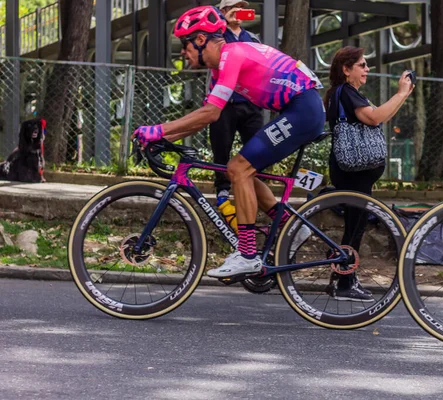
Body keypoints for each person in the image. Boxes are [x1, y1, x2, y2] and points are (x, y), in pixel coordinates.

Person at [134, 6, 321, 278]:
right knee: (244, 170)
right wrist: (163, 137)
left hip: (304, 109)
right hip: (298, 108)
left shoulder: (232, 55)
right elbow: (208, 116)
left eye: (184, 46)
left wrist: (158, 130)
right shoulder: (218, 70)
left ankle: (247, 255)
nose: (182, 54)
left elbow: (210, 113)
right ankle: (291, 224)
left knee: (238, 168)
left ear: (200, 40)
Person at [323, 46, 414, 301]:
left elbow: (381, 116)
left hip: (354, 170)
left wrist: (404, 95)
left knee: (355, 224)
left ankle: (341, 278)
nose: (367, 70)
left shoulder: (344, 93)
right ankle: (344, 283)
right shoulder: (347, 93)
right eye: (362, 65)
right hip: (354, 170)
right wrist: (400, 92)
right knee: (356, 225)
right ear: (346, 69)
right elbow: (374, 118)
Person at [210, 0, 263, 206]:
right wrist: (224, 24)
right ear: (223, 11)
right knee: (221, 148)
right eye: (233, 7)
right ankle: (222, 190)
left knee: (257, 148)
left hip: (250, 103)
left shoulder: (253, 38)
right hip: (225, 102)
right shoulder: (218, 37)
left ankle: (255, 188)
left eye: (242, 8)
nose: (238, 12)